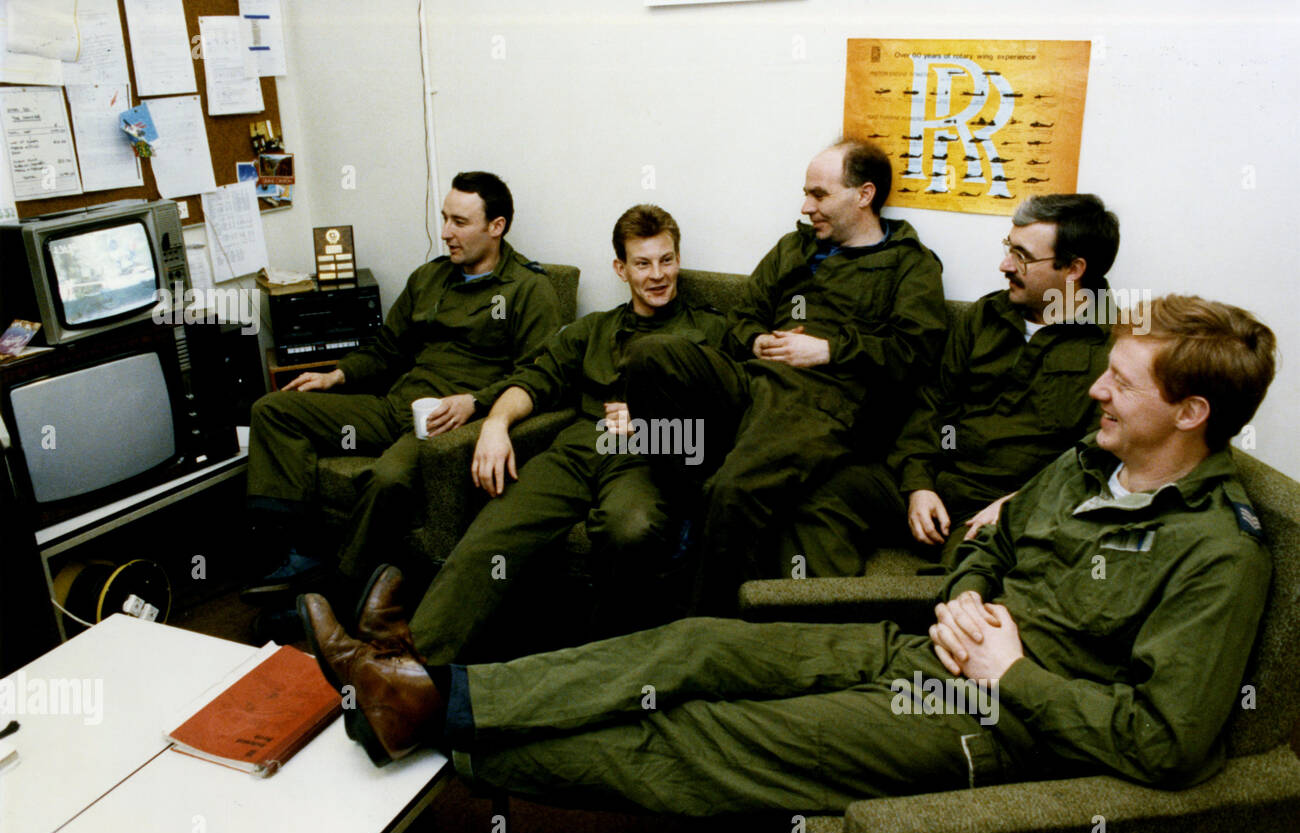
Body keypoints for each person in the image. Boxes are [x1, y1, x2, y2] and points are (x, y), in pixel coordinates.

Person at [301, 295, 1275, 819]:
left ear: (1190, 412)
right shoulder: (1085, 460)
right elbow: (992, 548)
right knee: (691, 645)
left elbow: (1167, 742)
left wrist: (1007, 668)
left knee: (705, 734)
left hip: (993, 716)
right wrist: (964, 596)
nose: (1096, 388)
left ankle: (432, 727)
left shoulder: (1216, 554)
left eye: (1120, 378)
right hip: (916, 648)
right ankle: (435, 691)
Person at [348, 205, 728, 666]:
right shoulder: (594, 329)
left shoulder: (710, 330)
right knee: (495, 526)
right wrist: (494, 424)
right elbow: (533, 379)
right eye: (643, 263)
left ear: (678, 260)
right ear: (620, 269)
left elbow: (730, 414)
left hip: (649, 454)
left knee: (631, 529)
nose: (657, 275)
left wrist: (654, 420)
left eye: (666, 260)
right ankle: (410, 669)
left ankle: (599, 666)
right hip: (578, 445)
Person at [623, 139, 947, 615]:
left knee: (733, 492)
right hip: (756, 378)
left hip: (823, 404)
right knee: (651, 355)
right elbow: (741, 319)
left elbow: (916, 354)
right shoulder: (793, 248)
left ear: (864, 195)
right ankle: (691, 493)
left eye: (819, 195)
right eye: (806, 193)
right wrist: (757, 341)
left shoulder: (910, 264)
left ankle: (700, 631)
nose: (805, 206)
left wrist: (830, 350)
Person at [243, 171, 561, 602]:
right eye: (445, 218)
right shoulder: (429, 278)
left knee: (388, 478)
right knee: (274, 409)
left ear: (496, 227)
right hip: (393, 407)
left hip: (448, 426)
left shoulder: (529, 288)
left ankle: (336, 592)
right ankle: (301, 554)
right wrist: (338, 375)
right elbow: (387, 348)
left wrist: (476, 402)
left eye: (460, 223)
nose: (446, 233)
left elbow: (536, 374)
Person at [781, 194, 1121, 576]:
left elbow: (1098, 455)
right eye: (1009, 248)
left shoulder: (1116, 345)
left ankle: (916, 621)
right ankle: (826, 625)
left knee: (970, 572)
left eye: (1022, 256)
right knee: (822, 496)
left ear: (1074, 269)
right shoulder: (984, 316)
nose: (1005, 265)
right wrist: (918, 485)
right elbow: (931, 404)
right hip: (938, 482)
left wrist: (1020, 504)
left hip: (1005, 507)